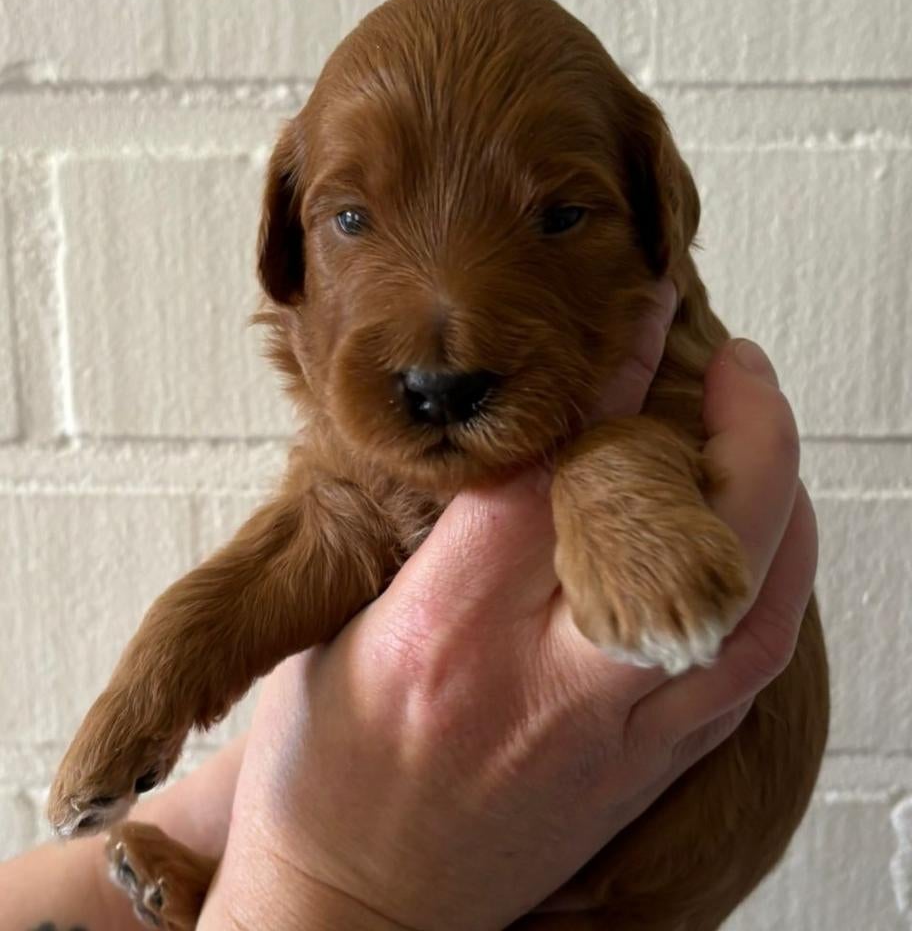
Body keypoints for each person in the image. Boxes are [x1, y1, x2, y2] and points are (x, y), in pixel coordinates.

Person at [0, 284, 816, 931]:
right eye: (353, 219)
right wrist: (331, 896)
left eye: (558, 218)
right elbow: (321, 534)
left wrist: (252, 838)